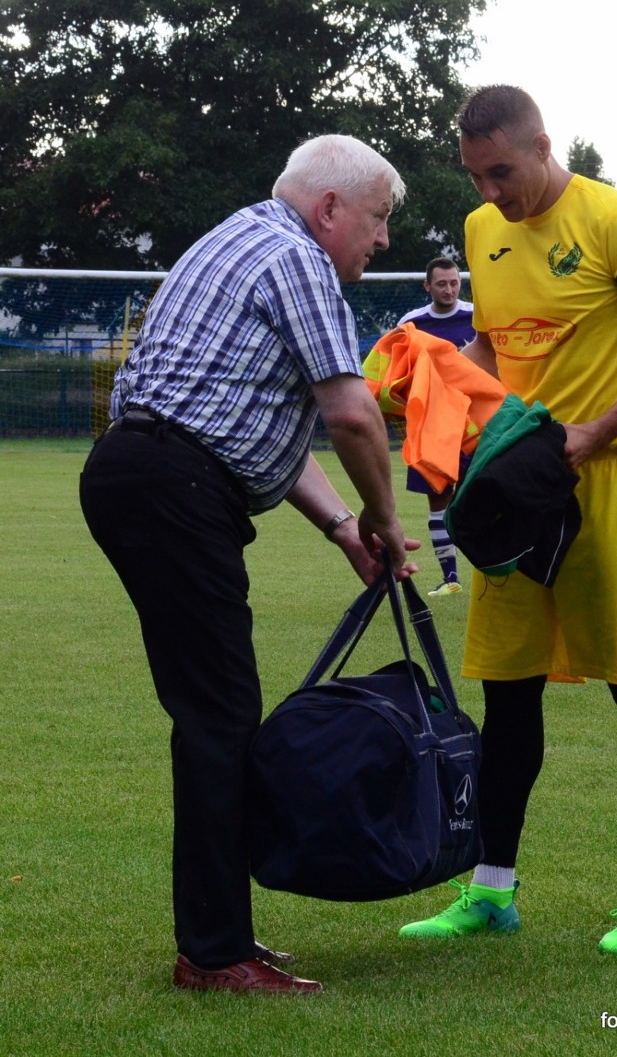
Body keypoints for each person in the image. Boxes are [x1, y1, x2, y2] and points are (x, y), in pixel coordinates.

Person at [79, 135, 419, 994]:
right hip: (175, 483)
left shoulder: (238, 238)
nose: (383, 242)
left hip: (149, 469)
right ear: (329, 208)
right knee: (218, 716)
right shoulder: (298, 258)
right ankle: (214, 950)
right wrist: (385, 520)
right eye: (378, 220)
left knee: (217, 712)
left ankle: (223, 936)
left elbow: (258, 422)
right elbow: (351, 417)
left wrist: (344, 526)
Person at [399, 85, 617, 953]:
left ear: (541, 144)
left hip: (607, 477)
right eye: (476, 175)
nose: (491, 191)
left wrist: (592, 429)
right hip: (512, 492)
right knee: (507, 691)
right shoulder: (479, 229)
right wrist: (440, 388)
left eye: (501, 171)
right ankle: (492, 888)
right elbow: (494, 346)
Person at [397, 257, 475, 595]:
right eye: (441, 284)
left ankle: (491, 574)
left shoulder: (477, 317)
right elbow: (397, 372)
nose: (449, 289)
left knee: (481, 499)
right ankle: (451, 578)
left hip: (475, 424)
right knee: (438, 500)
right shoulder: (411, 324)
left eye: (454, 283)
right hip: (431, 427)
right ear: (427, 286)